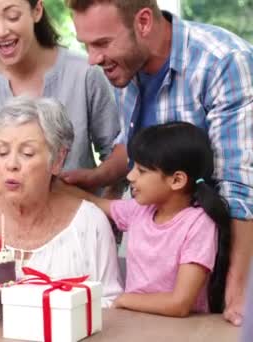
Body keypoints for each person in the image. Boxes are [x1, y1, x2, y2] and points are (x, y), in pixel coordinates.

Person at [64, 0, 253, 325]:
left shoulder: (223, 62)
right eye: (86, 45)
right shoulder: (128, 69)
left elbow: (242, 189)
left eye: (102, 43)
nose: (94, 59)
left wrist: (237, 293)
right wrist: (96, 175)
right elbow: (132, 146)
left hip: (227, 270)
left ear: (144, 22)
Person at [0, 96, 123, 307]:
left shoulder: (90, 223)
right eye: (2, 152)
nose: (11, 164)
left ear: (58, 160)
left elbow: (110, 304)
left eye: (27, 153)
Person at [0, 0, 123, 200]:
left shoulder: (84, 74)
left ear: (37, 10)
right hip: (5, 226)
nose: (0, 32)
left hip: (81, 220)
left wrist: (97, 184)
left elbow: (118, 154)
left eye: (12, 17)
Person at [58, 122, 231, 316]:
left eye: (141, 171)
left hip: (181, 330)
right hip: (136, 319)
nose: (130, 176)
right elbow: (94, 202)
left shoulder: (199, 224)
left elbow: (180, 303)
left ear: (176, 180)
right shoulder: (140, 210)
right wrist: (54, 184)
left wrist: (124, 299)